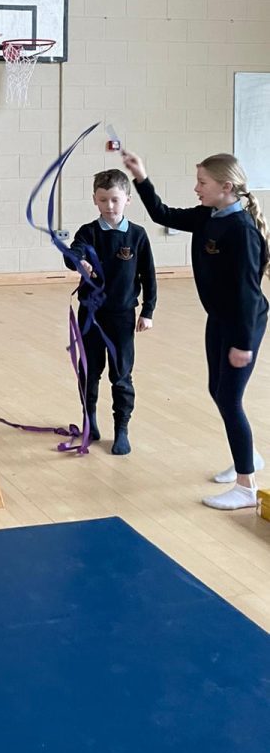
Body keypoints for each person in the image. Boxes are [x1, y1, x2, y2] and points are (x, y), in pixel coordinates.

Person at [122, 149, 269, 510]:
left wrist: (243, 343)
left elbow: (249, 294)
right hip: (218, 317)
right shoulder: (208, 216)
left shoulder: (241, 231)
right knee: (216, 389)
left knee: (230, 399)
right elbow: (162, 214)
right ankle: (248, 456)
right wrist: (141, 176)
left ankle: (246, 486)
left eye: (202, 182)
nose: (196, 188)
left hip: (243, 323)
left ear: (226, 187)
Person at [64, 169, 156, 455]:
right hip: (91, 315)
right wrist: (78, 261)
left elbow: (149, 276)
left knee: (121, 374)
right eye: (103, 200)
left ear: (127, 199)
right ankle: (89, 419)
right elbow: (74, 252)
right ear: (95, 199)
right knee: (89, 371)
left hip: (122, 316)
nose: (109, 206)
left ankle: (121, 428)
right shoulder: (88, 232)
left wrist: (148, 311)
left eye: (115, 199)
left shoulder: (137, 235)